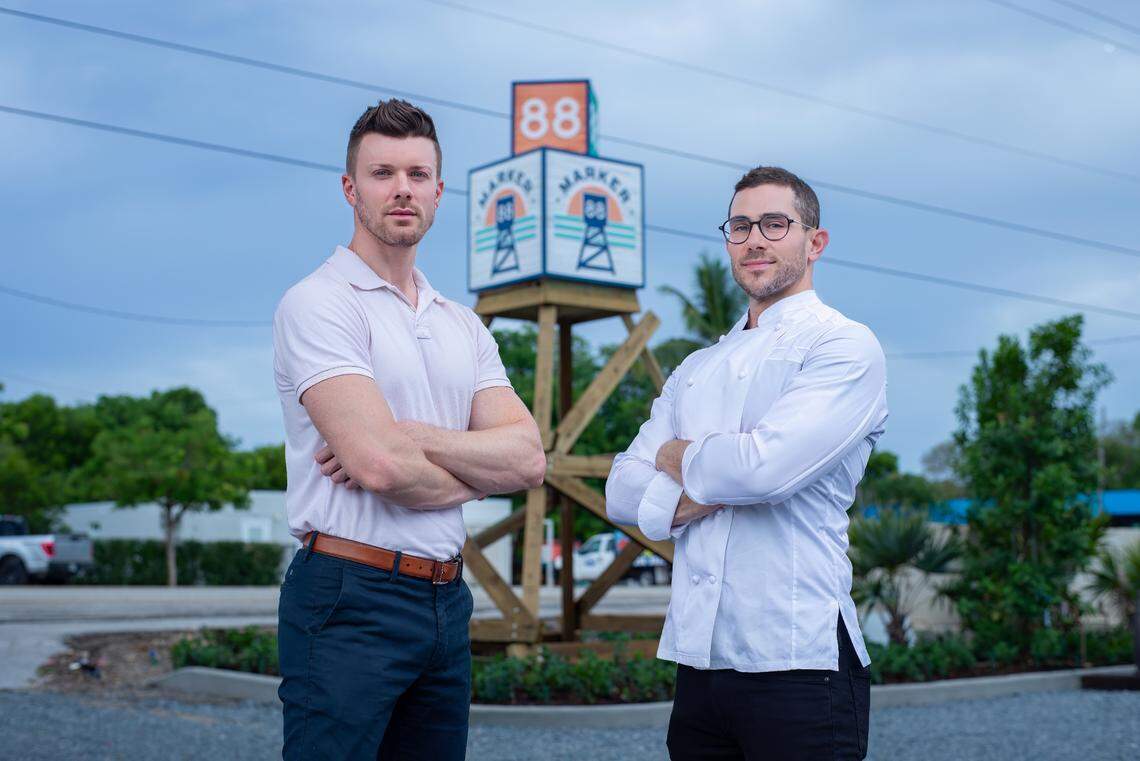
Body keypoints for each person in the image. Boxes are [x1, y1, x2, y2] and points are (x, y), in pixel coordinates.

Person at [272, 98, 546, 760]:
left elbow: (529, 461)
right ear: (350, 188)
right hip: (348, 598)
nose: (402, 189)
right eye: (383, 172)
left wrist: (411, 432)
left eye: (418, 175)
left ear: (438, 191)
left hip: (446, 602)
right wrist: (477, 471)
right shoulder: (318, 303)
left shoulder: (461, 323)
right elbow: (379, 468)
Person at [607, 166, 887, 760]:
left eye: (774, 223)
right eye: (740, 226)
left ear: (815, 242)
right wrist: (716, 480)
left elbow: (764, 471)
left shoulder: (843, 346)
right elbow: (620, 489)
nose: (754, 239)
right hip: (699, 661)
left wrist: (674, 454)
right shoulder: (695, 368)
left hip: (800, 659)